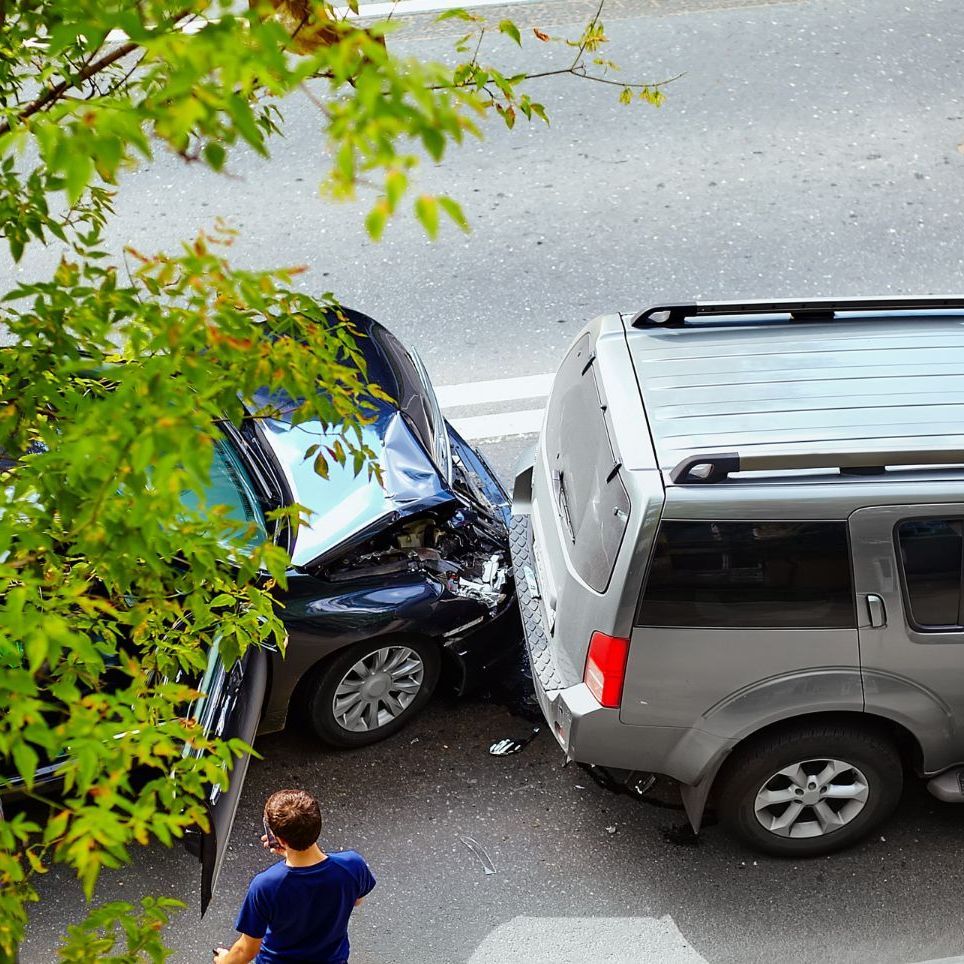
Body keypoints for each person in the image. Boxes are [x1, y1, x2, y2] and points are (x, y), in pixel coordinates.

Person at [214, 789, 375, 964]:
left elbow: (247, 949)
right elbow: (356, 900)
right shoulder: (352, 865)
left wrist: (224, 960)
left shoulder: (266, 885)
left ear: (280, 840)